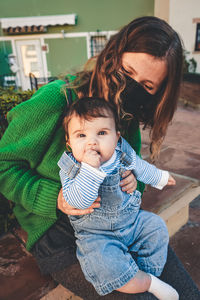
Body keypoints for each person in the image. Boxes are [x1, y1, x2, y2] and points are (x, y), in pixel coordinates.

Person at [0, 16, 199, 299]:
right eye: (127, 71)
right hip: (58, 234)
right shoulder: (56, 100)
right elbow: (5, 165)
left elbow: (132, 172)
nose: (130, 87)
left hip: (122, 225)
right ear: (112, 56)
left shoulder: (125, 117)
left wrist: (133, 183)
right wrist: (55, 197)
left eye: (147, 85)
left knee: (187, 291)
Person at [58, 96, 178, 299]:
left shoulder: (122, 152)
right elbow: (80, 201)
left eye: (102, 133)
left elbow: (140, 167)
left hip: (132, 223)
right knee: (104, 262)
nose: (92, 142)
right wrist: (90, 169)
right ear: (69, 143)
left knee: (156, 226)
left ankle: (148, 271)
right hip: (97, 235)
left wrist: (160, 177)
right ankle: (148, 283)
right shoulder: (71, 168)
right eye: (81, 136)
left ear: (116, 137)